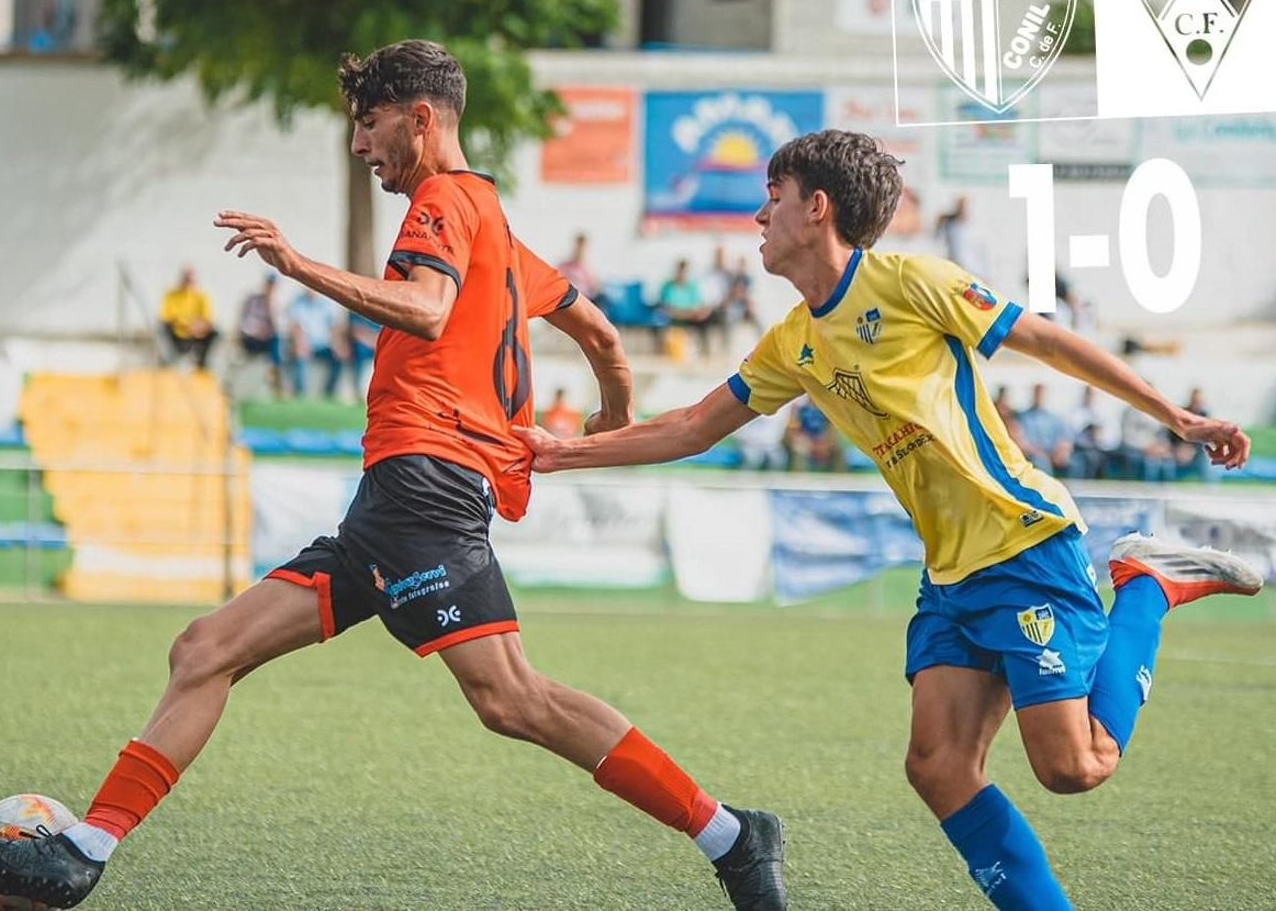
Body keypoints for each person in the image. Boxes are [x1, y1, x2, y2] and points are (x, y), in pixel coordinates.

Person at [0, 39, 786, 911]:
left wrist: (296, 263)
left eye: (369, 122)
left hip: (426, 487)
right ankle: (83, 851)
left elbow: (426, 309)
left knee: (511, 698)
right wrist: (612, 413)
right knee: (205, 648)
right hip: (391, 503)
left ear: (420, 119)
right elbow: (604, 337)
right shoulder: (499, 232)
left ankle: (730, 834)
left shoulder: (443, 201)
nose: (359, 144)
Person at [517, 129, 1263, 911]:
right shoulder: (794, 340)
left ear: (817, 207)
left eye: (773, 197)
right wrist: (563, 453)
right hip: (950, 575)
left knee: (1073, 768)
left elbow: (1047, 340)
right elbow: (695, 426)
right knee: (938, 766)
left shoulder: (910, 281)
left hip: (1023, 545)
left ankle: (1146, 586)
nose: (758, 217)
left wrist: (1177, 416)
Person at [282, 287, 343, 399]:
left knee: (339, 357)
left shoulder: (327, 302)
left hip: (324, 345)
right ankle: (300, 393)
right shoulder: (298, 301)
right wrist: (300, 343)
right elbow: (295, 326)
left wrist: (337, 345)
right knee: (300, 356)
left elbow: (335, 326)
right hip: (305, 344)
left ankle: (329, 392)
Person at [158, 265, 218, 370]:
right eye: (186, 278)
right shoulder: (171, 294)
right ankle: (167, 364)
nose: (188, 281)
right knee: (161, 330)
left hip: (197, 333)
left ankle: (203, 365)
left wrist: (197, 327)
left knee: (215, 333)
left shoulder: (202, 296)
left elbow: (208, 319)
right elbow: (165, 317)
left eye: (190, 278)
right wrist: (187, 324)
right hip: (176, 333)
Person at [658, 258, 719, 357]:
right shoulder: (668, 286)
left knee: (708, 319)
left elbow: (699, 303)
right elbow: (667, 308)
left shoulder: (691, 286)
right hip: (675, 316)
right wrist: (686, 314)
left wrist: (703, 312)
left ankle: (706, 352)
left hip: (691, 316)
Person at [234, 275, 282, 394]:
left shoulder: (275, 304)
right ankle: (274, 374)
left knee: (277, 340)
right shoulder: (252, 300)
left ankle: (274, 371)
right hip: (251, 338)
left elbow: (277, 326)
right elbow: (244, 322)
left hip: (265, 340)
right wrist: (255, 332)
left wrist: (270, 304)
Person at [1015, 384, 1074, 477]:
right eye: (1037, 394)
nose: (1039, 396)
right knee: (1040, 462)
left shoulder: (1054, 417)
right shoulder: (1022, 417)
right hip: (1034, 454)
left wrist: (1060, 452)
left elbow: (1064, 438)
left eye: (1041, 394)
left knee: (1074, 464)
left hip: (1053, 453)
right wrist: (1041, 453)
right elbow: (1021, 441)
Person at [556, 232, 601, 302]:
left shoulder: (587, 270)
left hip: (583, 301)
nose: (580, 250)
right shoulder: (563, 266)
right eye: (579, 246)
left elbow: (595, 288)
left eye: (583, 247)